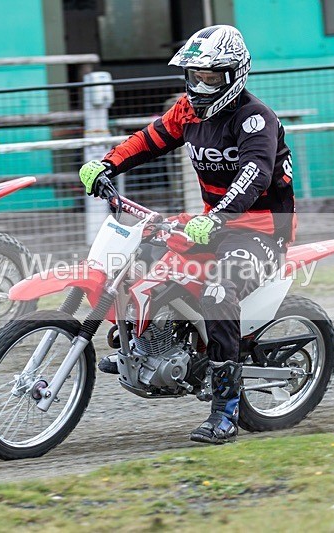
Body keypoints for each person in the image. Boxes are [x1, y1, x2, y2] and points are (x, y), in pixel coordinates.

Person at [78, 25, 295, 444]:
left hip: (262, 229)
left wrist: (218, 216)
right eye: (194, 76)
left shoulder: (255, 119)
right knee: (143, 257)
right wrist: (107, 164)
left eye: (210, 77)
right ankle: (140, 345)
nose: (200, 85)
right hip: (213, 221)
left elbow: (255, 174)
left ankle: (226, 410)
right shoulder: (189, 111)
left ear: (235, 76)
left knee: (216, 292)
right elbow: (148, 139)